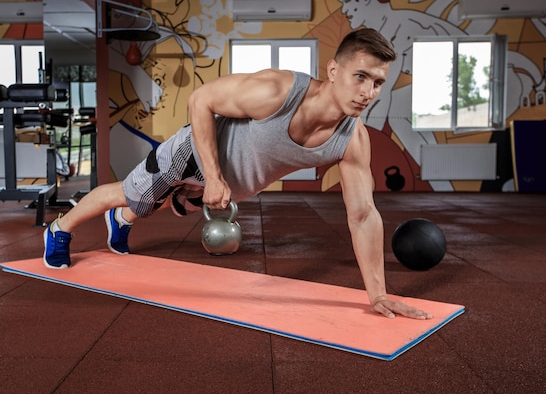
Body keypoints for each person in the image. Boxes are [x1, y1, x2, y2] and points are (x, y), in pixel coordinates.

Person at [43, 27, 432, 321]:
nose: (368, 91)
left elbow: (363, 214)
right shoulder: (278, 91)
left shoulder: (352, 140)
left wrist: (377, 295)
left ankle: (123, 221)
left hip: (230, 187)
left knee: (159, 205)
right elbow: (201, 100)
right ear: (334, 70)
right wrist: (213, 176)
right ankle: (60, 230)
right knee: (127, 193)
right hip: (194, 154)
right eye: (360, 76)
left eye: (378, 82)